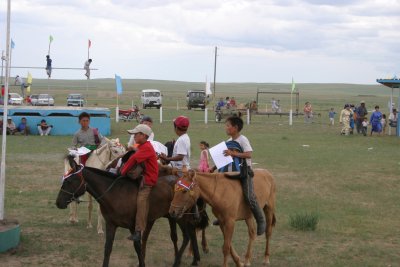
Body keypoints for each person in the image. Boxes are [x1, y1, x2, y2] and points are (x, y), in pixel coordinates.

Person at [219, 116, 266, 236]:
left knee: (249, 196)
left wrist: (233, 153)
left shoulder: (243, 139)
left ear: (235, 128)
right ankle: (224, 215)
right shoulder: (229, 141)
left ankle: (261, 220)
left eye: (228, 125)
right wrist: (213, 168)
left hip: (245, 171)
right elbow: (224, 158)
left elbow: (248, 154)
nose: (226, 127)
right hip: (232, 172)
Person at [120, 124, 159, 242]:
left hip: (148, 180)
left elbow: (133, 159)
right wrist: (133, 148)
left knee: (141, 201)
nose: (134, 136)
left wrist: (122, 172)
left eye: (136, 134)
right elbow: (137, 151)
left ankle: (138, 231)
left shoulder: (146, 147)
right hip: (143, 175)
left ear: (143, 135)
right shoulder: (143, 145)